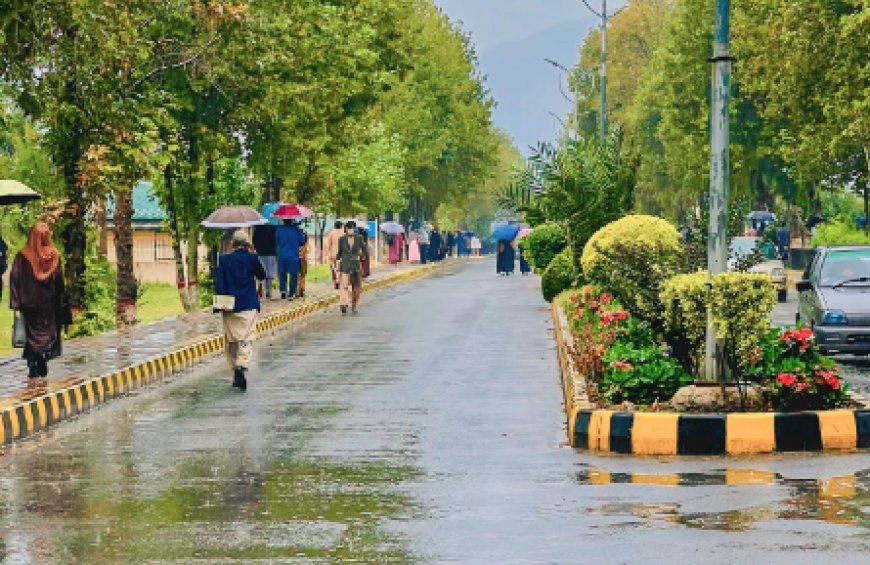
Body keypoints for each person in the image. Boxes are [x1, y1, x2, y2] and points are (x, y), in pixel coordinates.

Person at [10, 223, 71, 390]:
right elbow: (59, 281)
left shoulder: (23, 256)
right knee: (47, 331)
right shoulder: (54, 256)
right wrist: (62, 302)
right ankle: (41, 355)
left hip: (28, 303)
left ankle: (34, 363)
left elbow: (14, 278)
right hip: (48, 303)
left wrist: (15, 303)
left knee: (32, 333)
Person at [214, 230, 266, 390]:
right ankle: (241, 365)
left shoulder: (223, 260)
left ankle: (234, 368)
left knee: (231, 340)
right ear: (246, 244)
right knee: (246, 338)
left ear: (232, 244)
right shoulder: (252, 258)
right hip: (248, 304)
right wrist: (254, 253)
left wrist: (221, 303)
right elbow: (262, 275)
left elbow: (219, 283)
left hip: (229, 305)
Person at [334, 221, 367, 315]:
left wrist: (362, 256)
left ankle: (354, 305)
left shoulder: (359, 238)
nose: (350, 230)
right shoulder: (342, 239)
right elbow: (339, 252)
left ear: (354, 229)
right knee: (344, 286)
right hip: (345, 265)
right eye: (349, 228)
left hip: (356, 265)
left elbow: (365, 249)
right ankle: (343, 304)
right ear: (346, 229)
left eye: (352, 228)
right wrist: (337, 262)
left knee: (356, 287)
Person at [276, 219, 307, 300]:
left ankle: (283, 291)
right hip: (293, 256)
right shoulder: (297, 230)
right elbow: (302, 242)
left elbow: (277, 241)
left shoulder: (279, 229)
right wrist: (303, 234)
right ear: (292, 220)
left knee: (282, 273)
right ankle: (291, 293)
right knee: (293, 275)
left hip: (282, 255)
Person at [252, 224, 277, 298]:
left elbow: (254, 240)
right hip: (271, 253)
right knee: (269, 273)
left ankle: (260, 289)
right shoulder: (274, 228)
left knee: (260, 271)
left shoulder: (258, 228)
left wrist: (257, 248)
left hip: (260, 252)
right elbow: (276, 240)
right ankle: (268, 291)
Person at [323, 220, 344, 289]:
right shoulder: (343, 233)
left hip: (333, 254)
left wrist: (327, 254)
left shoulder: (331, 233)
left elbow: (328, 245)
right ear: (341, 226)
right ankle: (339, 281)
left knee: (333, 269)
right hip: (342, 254)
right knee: (341, 269)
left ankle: (335, 282)